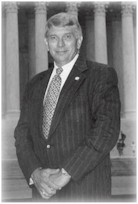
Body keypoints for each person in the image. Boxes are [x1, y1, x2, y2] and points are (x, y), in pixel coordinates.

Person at [14, 12, 121, 202]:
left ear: (78, 41)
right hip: (43, 193)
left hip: (85, 190)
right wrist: (35, 173)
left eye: (67, 37)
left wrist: (65, 173)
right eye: (54, 38)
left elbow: (106, 132)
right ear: (46, 43)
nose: (60, 44)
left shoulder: (100, 76)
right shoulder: (34, 85)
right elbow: (22, 135)